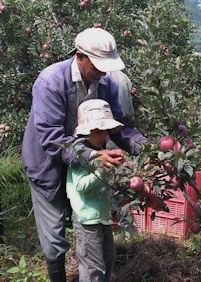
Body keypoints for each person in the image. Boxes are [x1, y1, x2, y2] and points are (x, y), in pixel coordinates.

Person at [22, 27, 146, 281]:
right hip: (47, 164)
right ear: (80, 56)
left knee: (87, 219)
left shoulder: (107, 83)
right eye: (98, 64)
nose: (103, 70)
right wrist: (93, 157)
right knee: (55, 235)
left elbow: (118, 126)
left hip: (86, 162)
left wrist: (147, 148)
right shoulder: (50, 82)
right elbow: (52, 138)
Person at [67, 99, 123, 282]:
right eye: (97, 131)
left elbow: (107, 185)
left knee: (108, 259)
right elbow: (81, 186)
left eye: (105, 131)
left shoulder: (103, 152)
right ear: (85, 133)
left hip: (102, 217)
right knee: (93, 266)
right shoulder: (81, 156)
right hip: (86, 219)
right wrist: (101, 169)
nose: (103, 135)